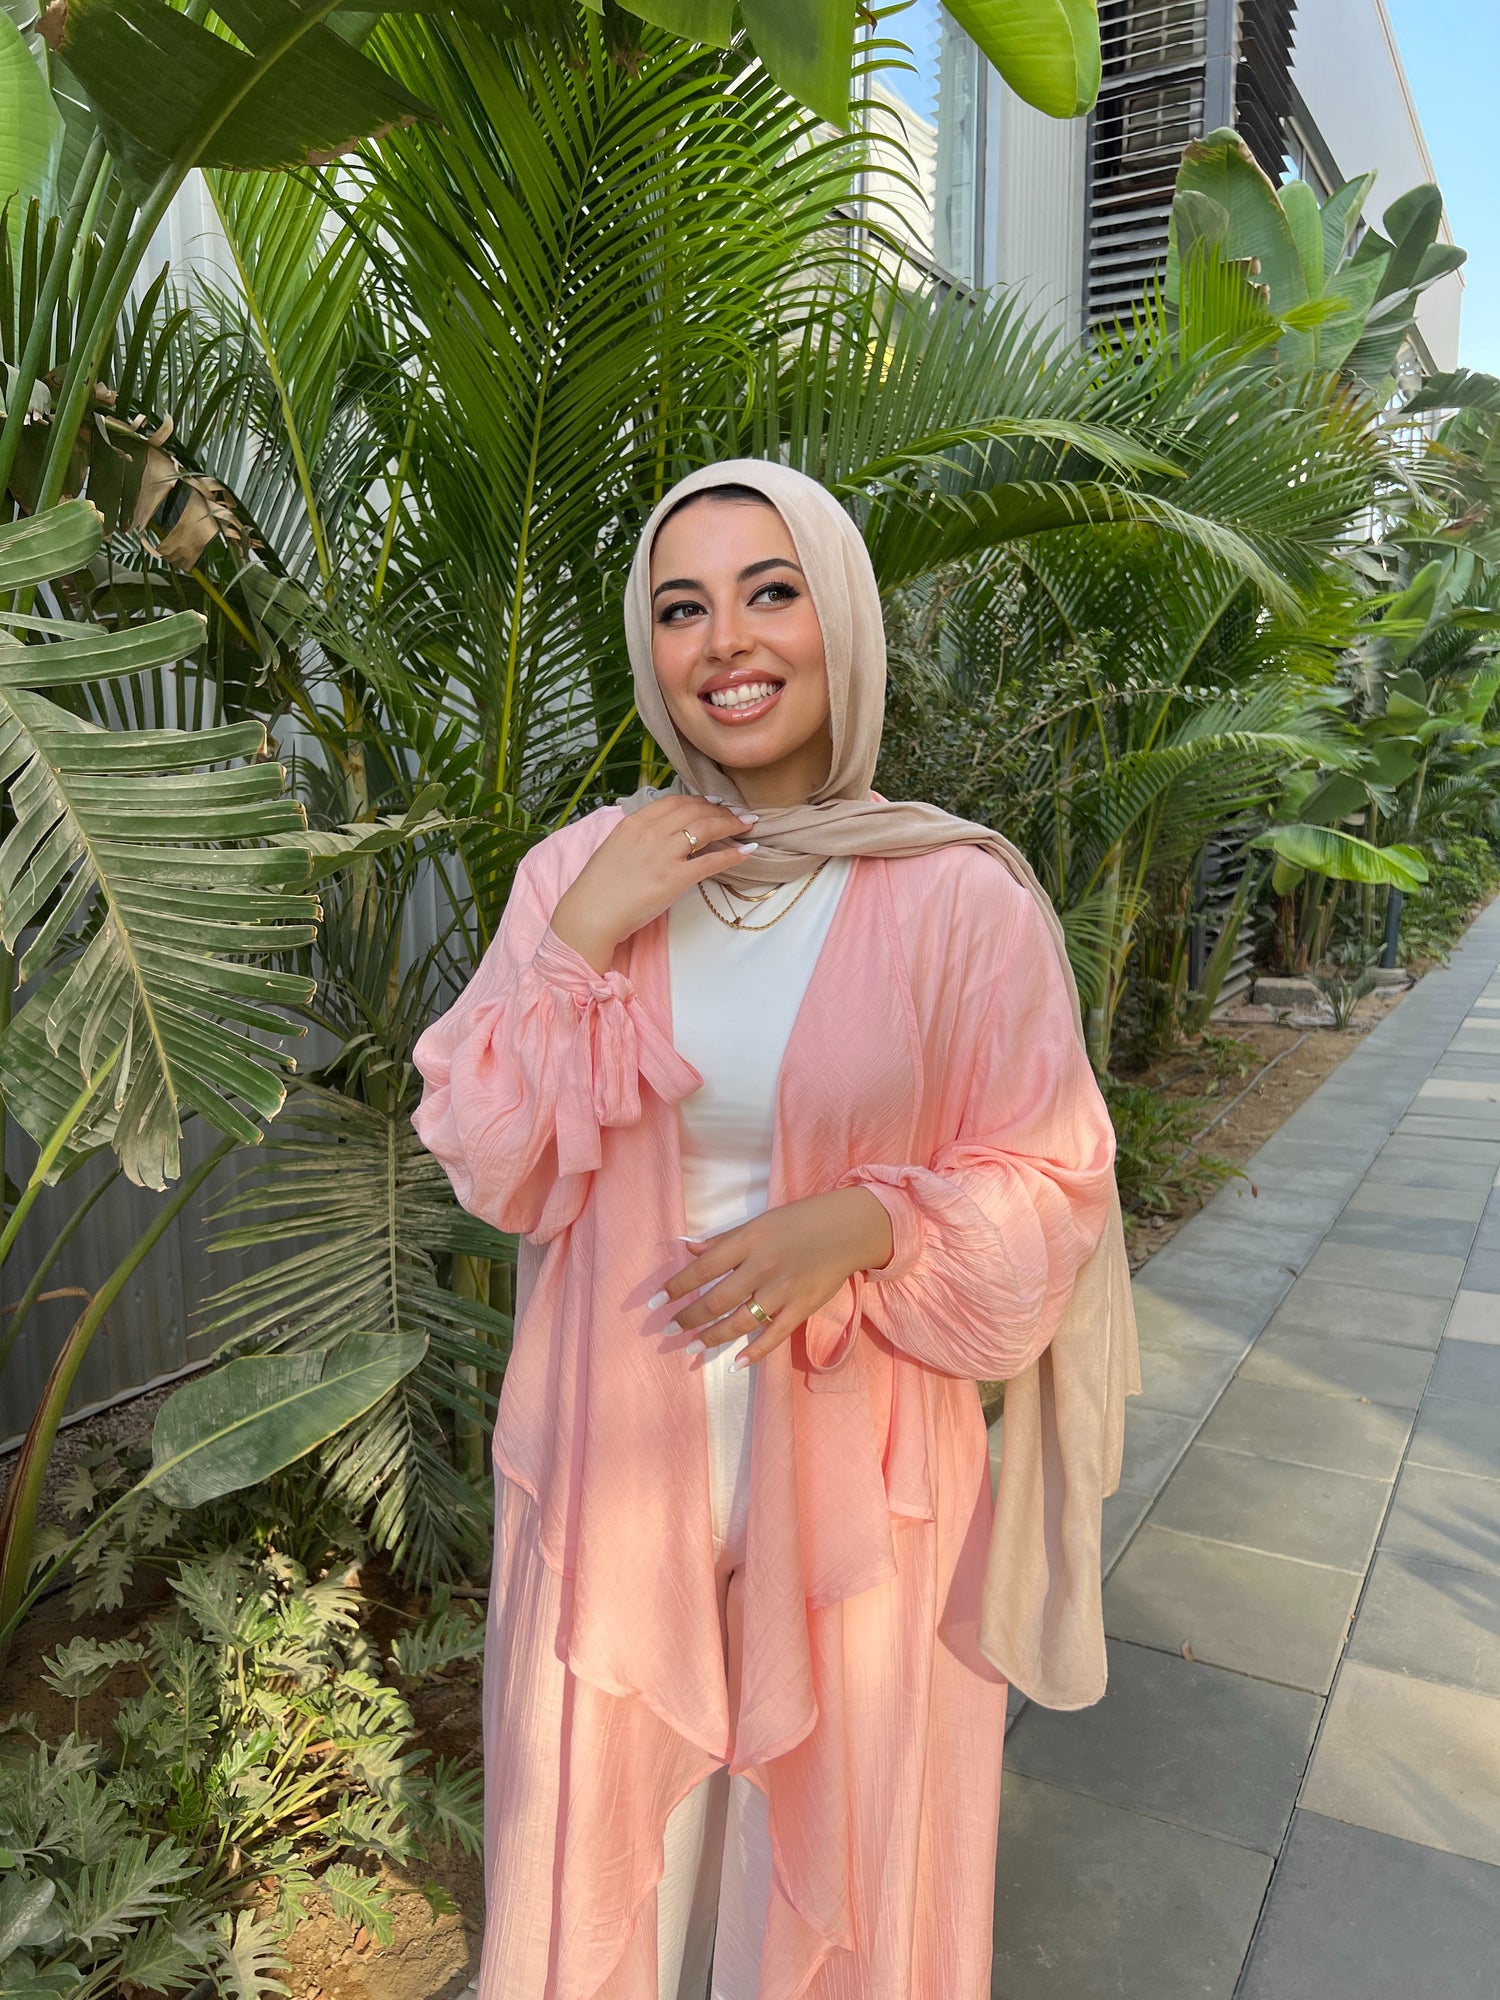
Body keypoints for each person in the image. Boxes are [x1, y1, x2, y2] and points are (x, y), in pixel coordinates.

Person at [412, 460, 1138, 2000]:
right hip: (616, 1475)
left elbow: (1056, 1185)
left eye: (771, 592)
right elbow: (491, 1158)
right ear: (650, 648)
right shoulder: (582, 872)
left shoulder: (957, 898)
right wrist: (582, 932)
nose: (726, 641)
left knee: (834, 1889)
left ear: (842, 622)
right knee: (600, 1869)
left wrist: (866, 1224)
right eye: (682, 607)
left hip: (862, 1484)